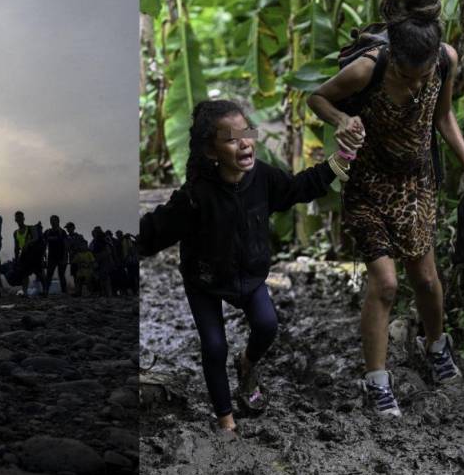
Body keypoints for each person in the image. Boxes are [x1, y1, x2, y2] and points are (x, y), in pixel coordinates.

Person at [307, 0, 464, 418]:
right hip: (368, 184)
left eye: (423, 74)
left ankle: (436, 347)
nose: (416, 83)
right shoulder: (368, 68)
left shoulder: (444, 61)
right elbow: (316, 97)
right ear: (395, 59)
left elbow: (443, 115)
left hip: (416, 184)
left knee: (426, 280)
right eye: (407, 76)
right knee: (387, 283)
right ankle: (377, 382)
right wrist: (341, 118)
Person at [139, 100, 355, 432]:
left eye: (247, 133)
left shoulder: (263, 178)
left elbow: (297, 188)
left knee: (267, 325)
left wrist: (338, 162)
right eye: (231, 138)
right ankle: (226, 420)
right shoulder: (197, 195)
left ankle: (247, 364)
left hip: (249, 276)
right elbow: (157, 229)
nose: (244, 143)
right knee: (214, 346)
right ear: (212, 151)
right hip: (205, 278)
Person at [14, 211, 44, 296]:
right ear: (15, 220)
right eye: (17, 218)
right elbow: (16, 247)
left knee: (38, 273)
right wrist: (16, 259)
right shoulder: (15, 233)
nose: (19, 219)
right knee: (24, 274)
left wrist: (28, 243)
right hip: (24, 256)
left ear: (23, 218)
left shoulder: (30, 228)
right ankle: (25, 292)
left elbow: (36, 238)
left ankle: (45, 290)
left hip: (34, 255)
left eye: (20, 217)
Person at [43, 215, 68, 295]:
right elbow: (44, 244)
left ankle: (64, 291)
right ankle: (46, 291)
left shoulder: (62, 232)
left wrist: (65, 257)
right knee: (49, 275)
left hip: (61, 256)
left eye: (54, 220)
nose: (52, 222)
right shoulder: (48, 232)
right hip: (51, 257)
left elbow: (66, 245)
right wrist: (44, 255)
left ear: (58, 221)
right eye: (51, 220)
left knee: (61, 275)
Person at [91, 226, 114, 297]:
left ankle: (107, 293)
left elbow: (109, 248)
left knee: (104, 276)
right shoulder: (95, 240)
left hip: (104, 257)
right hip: (98, 257)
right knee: (100, 276)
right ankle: (103, 292)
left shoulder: (104, 238)